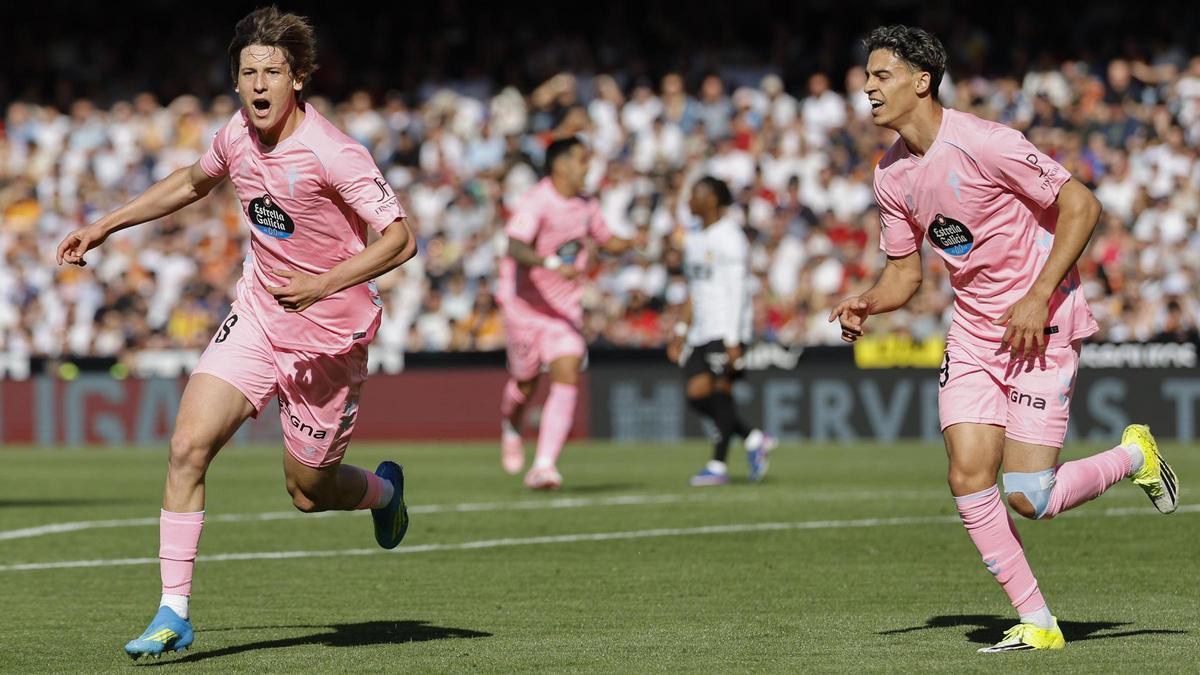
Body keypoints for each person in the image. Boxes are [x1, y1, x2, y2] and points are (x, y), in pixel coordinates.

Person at [55, 7, 417, 659]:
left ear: (298, 78)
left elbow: (402, 237)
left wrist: (323, 283)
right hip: (258, 314)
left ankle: (385, 491)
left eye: (271, 72)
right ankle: (173, 609)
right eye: (247, 72)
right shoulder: (236, 135)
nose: (258, 84)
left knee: (308, 493)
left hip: (327, 336)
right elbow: (194, 180)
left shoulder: (334, 152)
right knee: (188, 443)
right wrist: (107, 223)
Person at [830, 25, 1178, 653]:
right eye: (867, 76)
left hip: (1040, 328)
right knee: (967, 474)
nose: (868, 87)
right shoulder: (890, 176)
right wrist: (869, 302)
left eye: (881, 75)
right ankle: (1039, 622)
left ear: (921, 81)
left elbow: (1082, 205)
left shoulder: (986, 142)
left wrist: (1040, 292)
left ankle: (1135, 456)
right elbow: (905, 273)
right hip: (972, 332)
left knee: (1029, 497)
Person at [495, 135, 639, 489]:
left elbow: (607, 241)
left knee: (567, 368)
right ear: (561, 165)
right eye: (582, 160)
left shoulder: (587, 205)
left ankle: (544, 465)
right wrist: (550, 263)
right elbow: (514, 246)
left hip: (563, 311)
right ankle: (512, 424)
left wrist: (635, 242)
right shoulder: (537, 201)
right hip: (525, 308)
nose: (588, 167)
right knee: (526, 384)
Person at [667, 176, 776, 486]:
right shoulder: (695, 237)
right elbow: (695, 288)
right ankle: (754, 438)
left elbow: (738, 289)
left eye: (696, 194)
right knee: (696, 395)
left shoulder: (730, 237)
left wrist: (732, 338)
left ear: (713, 200)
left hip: (726, 328)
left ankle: (717, 465)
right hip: (702, 329)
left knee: (720, 391)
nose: (690, 200)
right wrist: (680, 328)